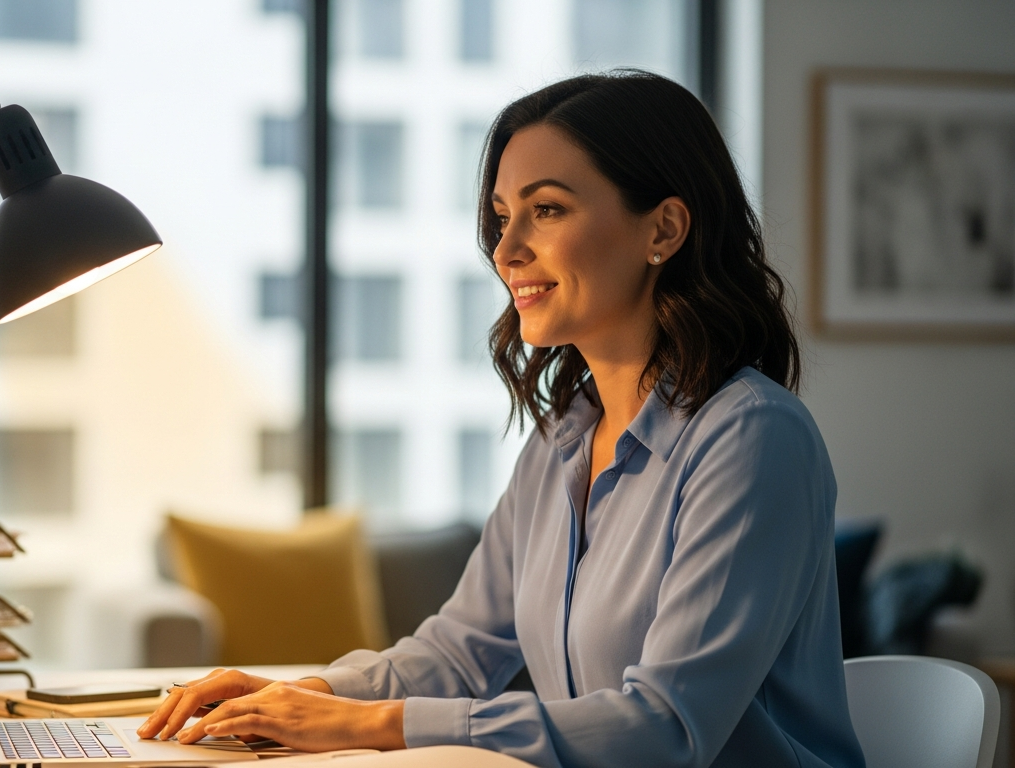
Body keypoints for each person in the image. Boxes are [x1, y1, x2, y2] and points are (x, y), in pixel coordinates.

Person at [137, 71, 866, 767]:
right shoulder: (562, 440)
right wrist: (301, 694)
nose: (507, 251)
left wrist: (368, 725)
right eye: (501, 217)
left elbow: (667, 729)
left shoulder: (752, 438)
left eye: (546, 210)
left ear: (664, 230)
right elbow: (460, 651)